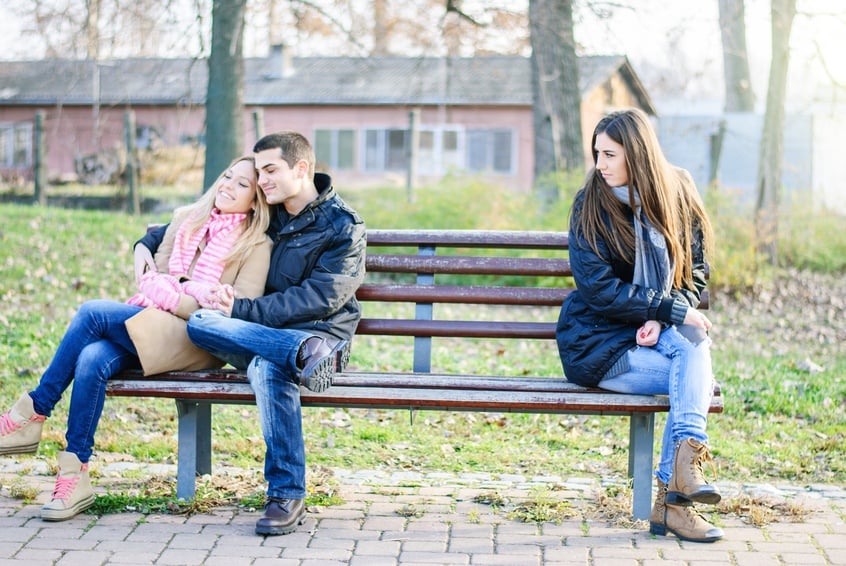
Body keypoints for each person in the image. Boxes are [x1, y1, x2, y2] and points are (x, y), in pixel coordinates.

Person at [0, 156, 272, 521]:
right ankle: (74, 474)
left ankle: (32, 412)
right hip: (154, 322)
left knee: (93, 313)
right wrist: (182, 287)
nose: (228, 186)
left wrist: (176, 296)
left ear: (255, 201)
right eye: (227, 176)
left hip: (200, 338)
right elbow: (151, 275)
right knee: (92, 358)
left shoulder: (256, 244)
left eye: (242, 184)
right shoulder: (187, 220)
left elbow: (233, 311)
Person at [134, 131, 367, 537]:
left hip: (321, 335)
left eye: (270, 170)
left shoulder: (343, 226)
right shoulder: (268, 210)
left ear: (301, 168)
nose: (261, 181)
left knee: (265, 367)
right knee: (202, 322)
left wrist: (241, 311)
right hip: (267, 334)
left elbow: (321, 297)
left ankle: (285, 495)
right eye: (258, 172)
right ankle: (298, 351)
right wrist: (143, 244)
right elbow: (191, 220)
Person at [556, 108, 722, 543]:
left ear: (638, 153)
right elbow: (597, 289)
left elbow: (694, 271)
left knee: (693, 348)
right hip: (600, 342)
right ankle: (677, 496)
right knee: (694, 379)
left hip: (654, 332)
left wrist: (661, 314)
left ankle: (678, 486)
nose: (600, 164)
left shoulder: (679, 191)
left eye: (610, 154)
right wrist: (666, 311)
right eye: (597, 153)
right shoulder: (590, 202)